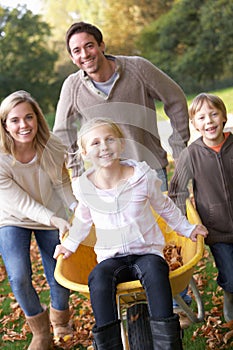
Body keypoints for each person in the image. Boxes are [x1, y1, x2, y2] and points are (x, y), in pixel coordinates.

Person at [53, 117, 208, 350]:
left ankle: (168, 345)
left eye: (109, 139)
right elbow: (83, 221)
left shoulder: (141, 177)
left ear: (121, 144)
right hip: (111, 258)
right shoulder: (86, 188)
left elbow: (164, 207)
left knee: (156, 272)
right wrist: (69, 245)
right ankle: (109, 346)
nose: (104, 147)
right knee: (98, 279)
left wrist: (187, 228)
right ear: (84, 152)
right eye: (95, 143)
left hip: (146, 252)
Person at [53, 21, 191, 192]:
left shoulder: (138, 68)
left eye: (89, 46)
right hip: (107, 181)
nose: (85, 54)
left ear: (101, 45)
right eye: (77, 51)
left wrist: (179, 149)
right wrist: (76, 171)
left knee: (166, 218)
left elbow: (175, 99)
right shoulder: (72, 87)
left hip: (150, 171)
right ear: (72, 59)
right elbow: (62, 132)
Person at [0, 90, 78, 350]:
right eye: (15, 120)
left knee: (58, 271)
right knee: (19, 275)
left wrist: (75, 208)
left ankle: (61, 320)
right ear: (4, 124)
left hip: (51, 214)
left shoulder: (52, 145)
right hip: (12, 217)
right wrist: (55, 218)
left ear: (38, 119)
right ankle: (41, 333)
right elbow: (21, 203)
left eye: (29, 117)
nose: (24, 125)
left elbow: (62, 183)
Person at [169, 93, 233, 323]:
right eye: (202, 117)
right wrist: (182, 223)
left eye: (214, 114)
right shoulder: (191, 155)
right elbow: (177, 190)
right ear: (194, 124)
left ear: (224, 117)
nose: (209, 121)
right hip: (216, 229)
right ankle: (229, 294)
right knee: (230, 274)